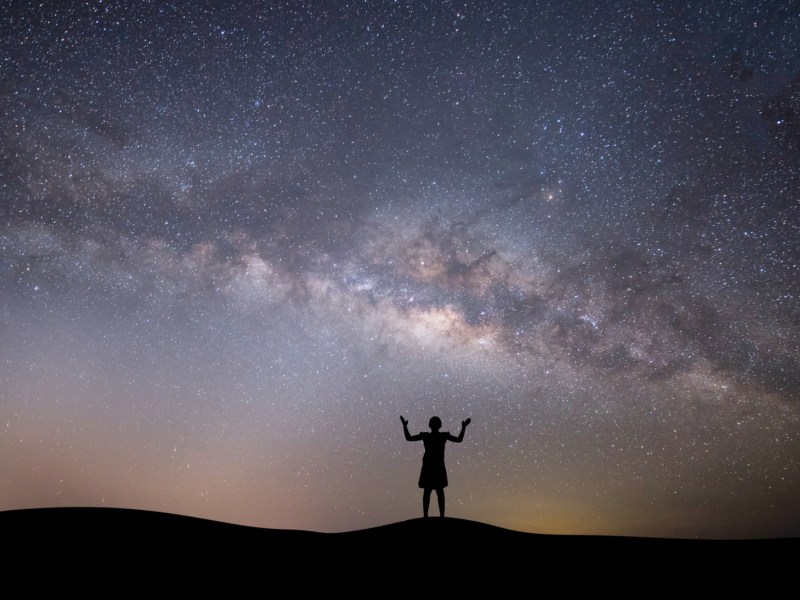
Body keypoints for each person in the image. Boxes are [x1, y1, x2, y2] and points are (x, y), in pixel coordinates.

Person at [400, 415, 471, 518]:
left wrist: (405, 426)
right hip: (435, 466)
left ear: (430, 425)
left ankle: (427, 516)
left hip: (431, 466)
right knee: (437, 491)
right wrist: (464, 427)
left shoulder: (429, 436)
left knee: (430, 491)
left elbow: (409, 438)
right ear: (440, 425)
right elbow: (459, 439)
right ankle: (439, 516)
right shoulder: (441, 436)